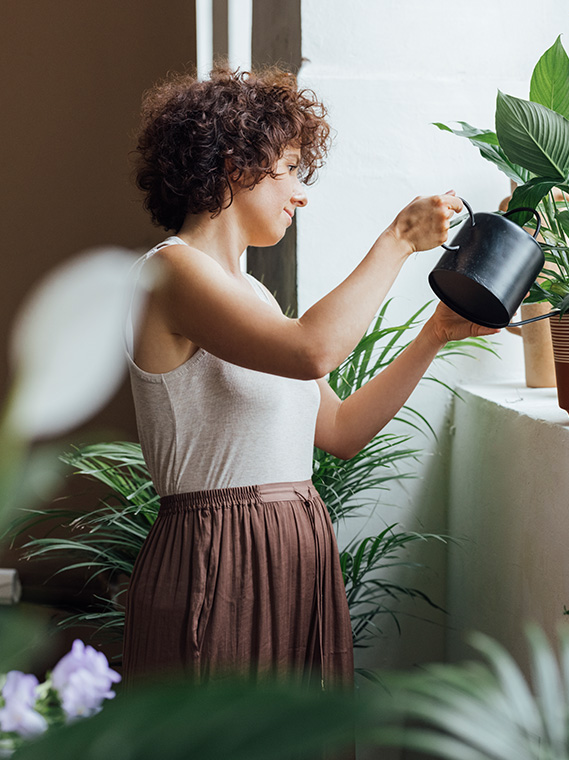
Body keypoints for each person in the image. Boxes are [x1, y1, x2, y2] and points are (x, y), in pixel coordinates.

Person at [121, 66, 497, 687]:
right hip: (220, 561)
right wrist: (400, 239)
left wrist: (432, 336)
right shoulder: (171, 273)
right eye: (290, 168)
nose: (302, 192)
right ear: (236, 164)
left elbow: (341, 430)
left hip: (293, 551)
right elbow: (313, 350)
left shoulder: (255, 297)